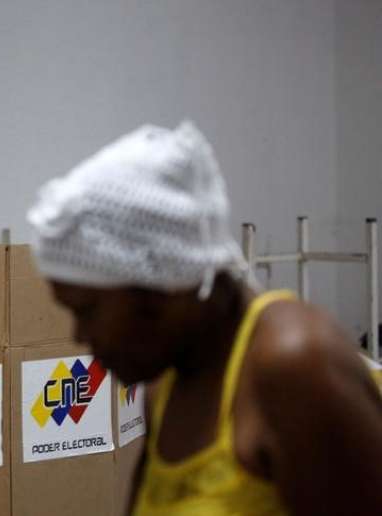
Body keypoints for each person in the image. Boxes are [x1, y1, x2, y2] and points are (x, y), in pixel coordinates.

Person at [27, 121, 382, 515]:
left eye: (87, 310)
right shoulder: (165, 386)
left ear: (159, 288)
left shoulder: (295, 365)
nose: (80, 335)